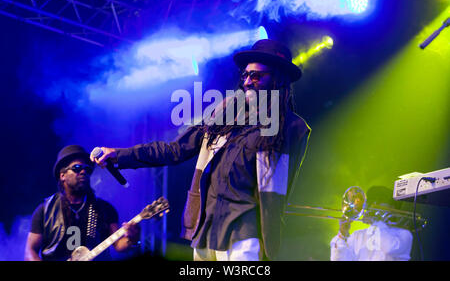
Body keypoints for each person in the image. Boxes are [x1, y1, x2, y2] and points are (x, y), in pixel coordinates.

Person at [91, 39, 311, 261]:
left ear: (278, 79)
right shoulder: (224, 116)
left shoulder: (290, 128)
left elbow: (279, 190)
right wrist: (119, 154)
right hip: (206, 231)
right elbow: (175, 149)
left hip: (244, 235)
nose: (247, 81)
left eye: (256, 76)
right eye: (244, 75)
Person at [24, 145, 140, 261]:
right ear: (62, 175)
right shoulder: (45, 210)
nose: (84, 172)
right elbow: (30, 251)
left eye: (87, 169)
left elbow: (119, 245)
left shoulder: (105, 208)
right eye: (77, 168)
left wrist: (133, 239)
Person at [330, 186, 414, 261]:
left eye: (380, 201)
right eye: (373, 201)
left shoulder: (404, 234)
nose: (374, 205)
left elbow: (388, 248)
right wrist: (342, 234)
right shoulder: (357, 235)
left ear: (392, 207)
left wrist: (375, 223)